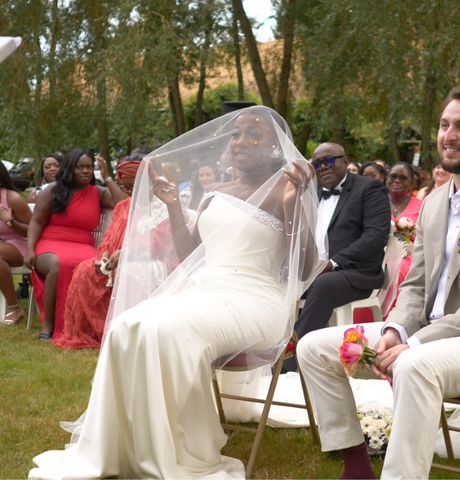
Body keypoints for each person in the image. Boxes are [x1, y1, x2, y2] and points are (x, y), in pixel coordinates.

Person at [29, 106, 322, 478]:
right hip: (206, 290)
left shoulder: (288, 189)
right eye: (236, 134)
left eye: (254, 136)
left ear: (276, 148)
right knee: (126, 325)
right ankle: (124, 444)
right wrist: (172, 207)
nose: (240, 142)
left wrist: (292, 206)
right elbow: (190, 254)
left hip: (257, 298)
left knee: (169, 331)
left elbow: (307, 263)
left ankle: (179, 447)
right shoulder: (219, 190)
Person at [298, 83, 460, 479]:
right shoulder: (434, 201)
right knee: (313, 346)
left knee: (413, 364)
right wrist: (397, 329)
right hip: (427, 332)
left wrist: (413, 343)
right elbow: (414, 285)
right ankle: (356, 467)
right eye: (445, 124)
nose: (449, 135)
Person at [288, 142, 389, 354]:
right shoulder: (310, 192)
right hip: (313, 270)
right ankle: (267, 350)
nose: (323, 167)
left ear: (346, 160)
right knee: (278, 281)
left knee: (324, 284)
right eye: (317, 164)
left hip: (356, 272)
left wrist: (333, 263)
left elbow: (375, 237)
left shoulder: (369, 188)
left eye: (330, 160)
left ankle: (291, 361)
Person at [24, 149, 115, 340]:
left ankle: (87, 324)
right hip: (50, 243)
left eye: (89, 167)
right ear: (69, 169)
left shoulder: (99, 193)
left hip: (85, 245)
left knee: (94, 267)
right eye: (80, 167)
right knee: (59, 264)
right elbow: (37, 222)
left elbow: (123, 203)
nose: (85, 171)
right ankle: (49, 326)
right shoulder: (52, 190)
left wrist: (107, 178)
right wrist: (30, 249)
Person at [52, 159, 142, 349]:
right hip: (112, 259)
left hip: (141, 257)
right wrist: (105, 253)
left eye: (134, 186)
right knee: (84, 271)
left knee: (122, 273)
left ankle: (119, 331)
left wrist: (125, 254)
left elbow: (157, 241)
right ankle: (90, 331)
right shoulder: (122, 206)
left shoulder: (157, 206)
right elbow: (109, 235)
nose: (130, 191)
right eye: (126, 187)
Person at [383, 161, 423, 316]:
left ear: (412, 183)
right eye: (393, 177)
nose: (397, 181)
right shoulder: (376, 202)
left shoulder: (422, 205)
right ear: (386, 179)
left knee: (401, 268)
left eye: (403, 178)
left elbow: (425, 237)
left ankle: (397, 316)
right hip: (377, 254)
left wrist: (409, 232)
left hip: (408, 255)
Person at [0, 162, 32, 324]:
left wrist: (10, 222)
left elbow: (32, 231)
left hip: (24, 244)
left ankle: (15, 308)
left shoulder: (12, 198)